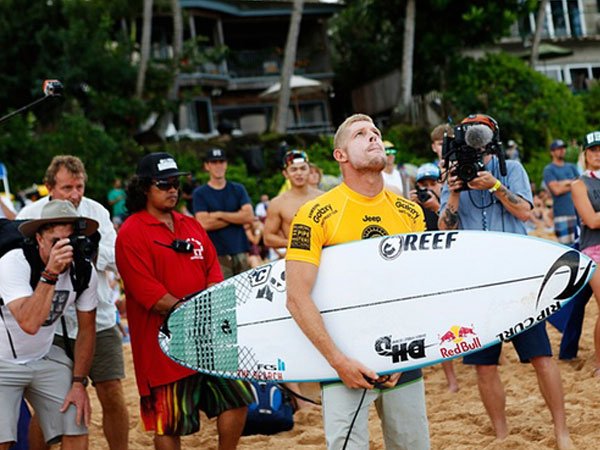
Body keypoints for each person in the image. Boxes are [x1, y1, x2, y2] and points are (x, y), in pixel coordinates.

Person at [286, 113, 430, 450]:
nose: (373, 137)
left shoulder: (410, 213)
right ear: (341, 155)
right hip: (342, 360)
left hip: (402, 354)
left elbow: (419, 291)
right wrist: (339, 361)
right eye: (361, 134)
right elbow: (296, 297)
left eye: (376, 132)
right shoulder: (315, 213)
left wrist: (406, 355)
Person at [438, 114, 572, 450]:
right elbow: (444, 230)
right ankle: (501, 435)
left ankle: (562, 432)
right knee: (484, 366)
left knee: (542, 357)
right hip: (476, 285)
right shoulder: (452, 175)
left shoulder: (511, 169)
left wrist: (496, 187)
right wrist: (454, 192)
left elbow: (526, 212)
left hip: (516, 280)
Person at [115, 152, 252, 450]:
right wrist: (193, 312)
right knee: (169, 421)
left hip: (207, 336)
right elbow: (146, 291)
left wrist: (210, 302)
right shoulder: (131, 232)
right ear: (143, 189)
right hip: (162, 342)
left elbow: (213, 269)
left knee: (238, 398)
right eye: (164, 184)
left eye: (175, 183)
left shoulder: (190, 225)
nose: (173, 189)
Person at [17, 155, 128, 450]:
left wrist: (85, 254)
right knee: (47, 402)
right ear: (49, 187)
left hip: (98, 315)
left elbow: (116, 257)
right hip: (49, 324)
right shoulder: (30, 215)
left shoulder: (97, 212)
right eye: (67, 188)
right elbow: (18, 267)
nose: (75, 195)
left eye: (79, 187)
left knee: (113, 392)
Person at [0, 199, 98, 449]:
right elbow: (29, 323)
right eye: (56, 242)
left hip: (43, 356)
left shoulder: (83, 270)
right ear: (39, 239)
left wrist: (79, 383)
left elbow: (87, 329)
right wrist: (51, 273)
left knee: (76, 424)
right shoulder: (14, 262)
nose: (64, 249)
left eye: (70, 241)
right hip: (2, 361)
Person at [263, 149, 322, 410]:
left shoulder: (324, 198)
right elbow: (267, 237)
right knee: (293, 328)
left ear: (310, 170)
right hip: (294, 268)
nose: (299, 173)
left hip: (324, 268)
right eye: (293, 169)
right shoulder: (278, 203)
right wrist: (298, 244)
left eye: (303, 168)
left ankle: (324, 385)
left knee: (324, 322)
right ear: (286, 173)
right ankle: (299, 397)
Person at [408, 163, 459, 393]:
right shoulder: (411, 209)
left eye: (432, 183)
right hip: (427, 270)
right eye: (423, 185)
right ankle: (451, 381)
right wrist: (410, 206)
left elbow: (454, 228)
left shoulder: (450, 202)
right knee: (440, 325)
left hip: (450, 266)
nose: (428, 188)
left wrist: (437, 205)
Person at [193, 148, 254, 278]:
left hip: (240, 249)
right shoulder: (200, 193)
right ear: (207, 166)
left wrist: (219, 214)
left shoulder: (238, 189)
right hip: (216, 253)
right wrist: (236, 216)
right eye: (214, 162)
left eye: (221, 161)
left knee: (246, 292)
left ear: (226, 164)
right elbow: (203, 224)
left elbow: (249, 216)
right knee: (224, 294)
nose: (218, 166)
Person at [569, 130, 600, 375]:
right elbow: (591, 220)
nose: (598, 154)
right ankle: (599, 361)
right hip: (593, 248)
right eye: (593, 150)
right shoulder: (579, 183)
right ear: (586, 154)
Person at [543, 139, 580, 246]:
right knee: (567, 248)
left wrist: (562, 183)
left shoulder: (572, 166)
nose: (562, 151)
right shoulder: (549, 169)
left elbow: (580, 185)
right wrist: (571, 182)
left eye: (563, 148)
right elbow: (556, 190)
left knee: (581, 247)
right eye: (558, 149)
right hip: (562, 214)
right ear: (552, 152)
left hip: (577, 213)